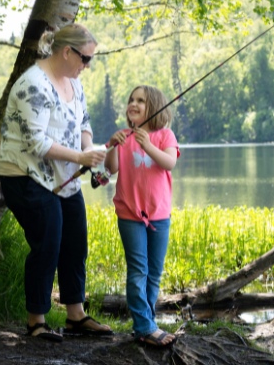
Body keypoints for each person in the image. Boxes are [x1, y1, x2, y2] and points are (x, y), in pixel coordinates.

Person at [0, 23, 113, 342]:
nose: (87, 66)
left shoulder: (74, 83)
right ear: (67, 52)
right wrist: (80, 158)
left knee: (76, 239)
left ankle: (76, 315)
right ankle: (36, 320)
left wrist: (88, 149)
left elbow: (84, 123)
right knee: (48, 239)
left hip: (62, 176)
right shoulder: (32, 84)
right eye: (85, 59)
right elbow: (35, 142)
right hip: (24, 175)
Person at [105, 85, 180, 348]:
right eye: (131, 100)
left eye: (141, 101)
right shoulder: (124, 137)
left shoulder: (164, 135)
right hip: (130, 214)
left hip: (159, 215)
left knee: (154, 272)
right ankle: (145, 325)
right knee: (138, 269)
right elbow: (111, 168)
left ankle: (145, 322)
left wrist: (147, 145)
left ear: (155, 107)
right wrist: (113, 146)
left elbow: (169, 162)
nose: (133, 104)